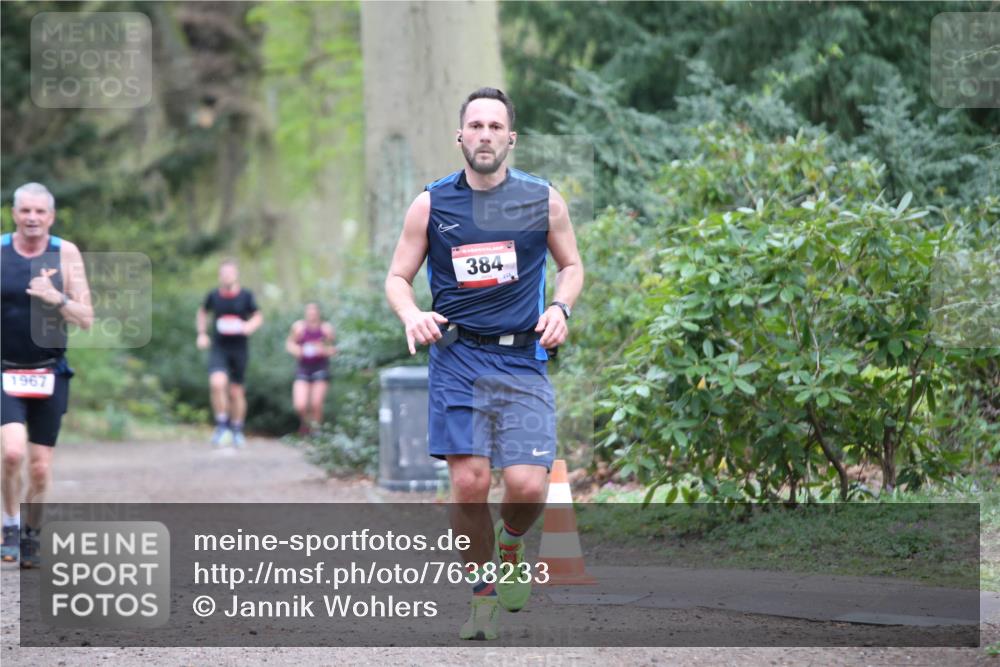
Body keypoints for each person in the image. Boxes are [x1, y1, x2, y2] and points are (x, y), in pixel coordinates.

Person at [385, 87, 584, 640]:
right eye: (476, 125)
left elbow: (571, 266)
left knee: (526, 486)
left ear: (510, 138)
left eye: (496, 127)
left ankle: (512, 543)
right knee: (470, 483)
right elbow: (398, 276)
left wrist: (561, 307)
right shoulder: (431, 204)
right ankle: (482, 596)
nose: (485, 135)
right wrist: (410, 315)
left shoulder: (543, 200)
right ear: (461, 136)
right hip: (456, 356)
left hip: (522, 357)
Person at [1, 182, 93, 567]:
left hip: (49, 372)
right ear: (15, 214)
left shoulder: (65, 252)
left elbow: (86, 318)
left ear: (51, 217)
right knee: (11, 452)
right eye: (26, 211)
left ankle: (32, 534)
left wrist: (55, 296)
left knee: (40, 467)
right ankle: (9, 525)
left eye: (40, 212)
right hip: (4, 371)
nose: (32, 218)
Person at [196, 259, 262, 448]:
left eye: (230, 273)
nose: (227, 276)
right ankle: (222, 426)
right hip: (219, 347)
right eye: (223, 273)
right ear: (220, 276)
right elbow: (202, 312)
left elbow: (258, 315)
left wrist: (250, 325)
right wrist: (201, 334)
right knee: (217, 383)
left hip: (239, 349)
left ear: (236, 274)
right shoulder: (213, 295)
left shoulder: (246, 296)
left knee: (236, 392)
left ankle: (236, 429)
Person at [285, 302, 337, 435]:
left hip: (320, 368)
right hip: (303, 368)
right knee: (300, 405)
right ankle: (306, 423)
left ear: (319, 313)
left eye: (314, 311)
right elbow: (289, 344)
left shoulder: (326, 329)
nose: (311, 313)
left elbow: (334, 349)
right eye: (309, 310)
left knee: (316, 404)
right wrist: (298, 350)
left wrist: (323, 350)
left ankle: (316, 431)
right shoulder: (298, 327)